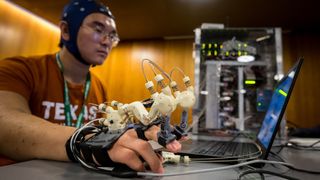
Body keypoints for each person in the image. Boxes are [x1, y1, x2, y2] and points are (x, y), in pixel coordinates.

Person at [0, 0, 181, 173]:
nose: (106, 41)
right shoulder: (19, 70)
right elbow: (4, 122)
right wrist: (90, 142)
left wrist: (138, 134)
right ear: (65, 30)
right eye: (98, 29)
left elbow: (105, 128)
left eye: (112, 35)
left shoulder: (97, 85)